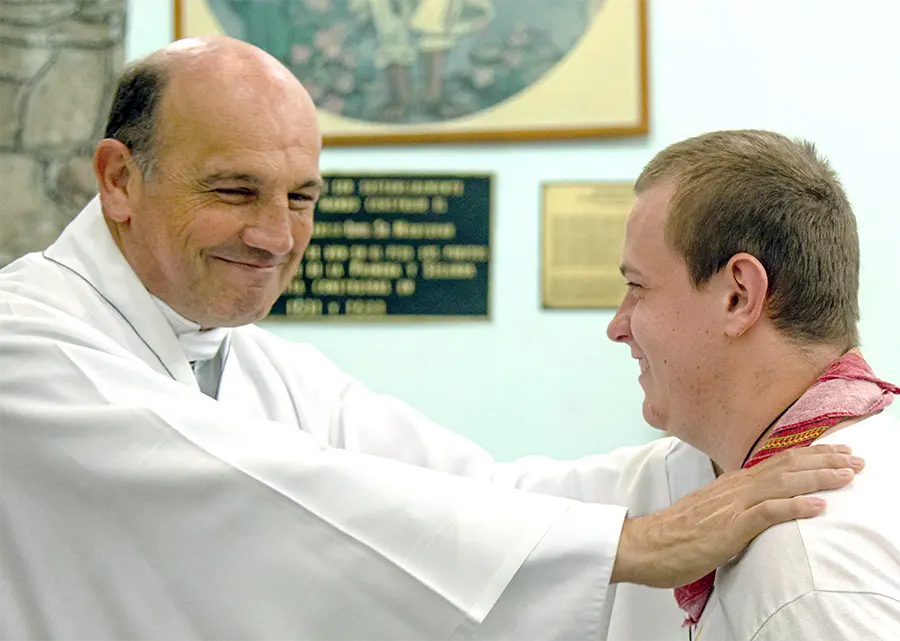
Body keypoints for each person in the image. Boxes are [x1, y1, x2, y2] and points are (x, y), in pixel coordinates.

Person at [0, 38, 862, 641]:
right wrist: (631, 545)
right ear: (120, 179)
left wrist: (732, 450)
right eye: (234, 190)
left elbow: (470, 490)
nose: (275, 235)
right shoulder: (24, 344)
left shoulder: (251, 361)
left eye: (302, 198)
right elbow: (268, 494)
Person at [607, 129, 900, 640]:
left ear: (739, 296)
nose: (617, 326)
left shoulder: (805, 569)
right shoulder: (875, 449)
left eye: (638, 287)